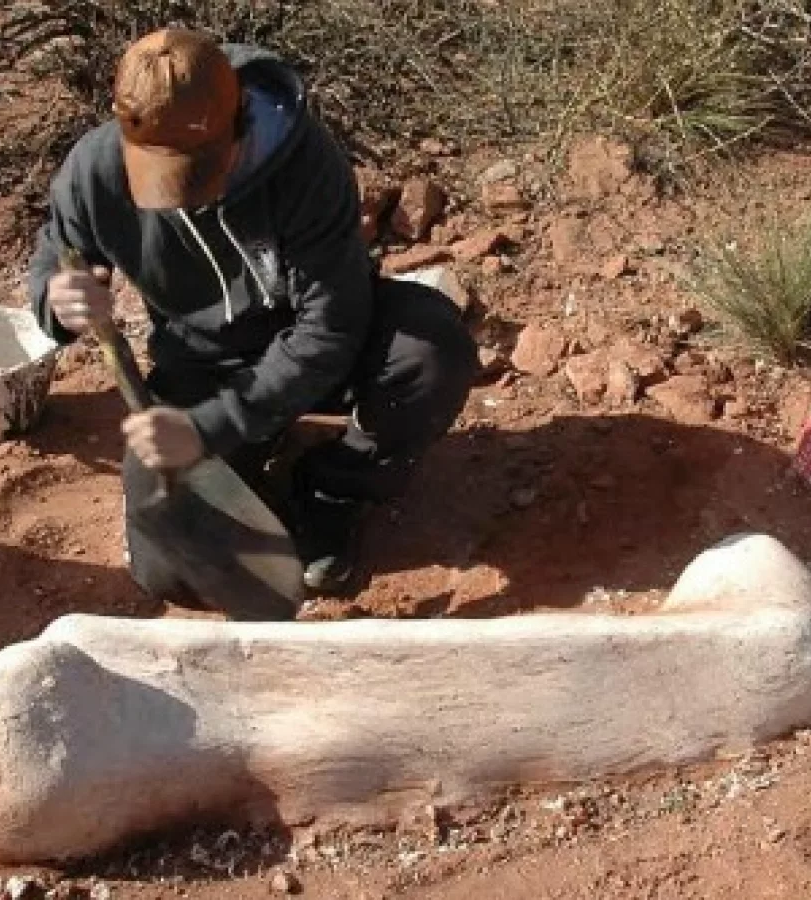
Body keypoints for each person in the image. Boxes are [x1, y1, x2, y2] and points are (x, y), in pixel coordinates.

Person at [28, 27, 478, 599]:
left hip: (316, 352)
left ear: (240, 123)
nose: (184, 194)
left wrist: (211, 427)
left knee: (430, 352)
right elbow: (57, 250)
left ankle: (332, 491)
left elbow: (329, 330)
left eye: (198, 171)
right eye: (165, 174)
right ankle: (254, 464)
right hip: (203, 368)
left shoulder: (306, 165)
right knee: (169, 576)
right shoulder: (93, 170)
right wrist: (57, 298)